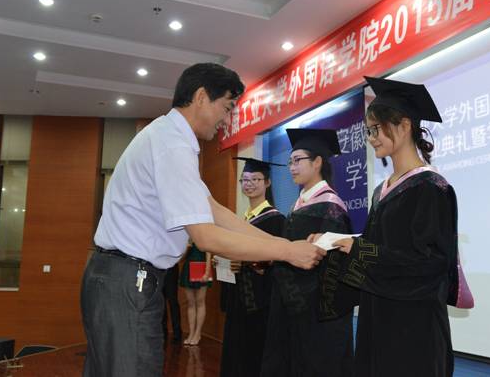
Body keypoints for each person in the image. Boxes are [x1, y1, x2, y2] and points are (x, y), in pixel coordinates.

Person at [80, 63, 325, 377]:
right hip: (127, 281)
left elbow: (214, 211)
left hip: (119, 279)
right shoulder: (173, 144)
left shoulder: (168, 137)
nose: (227, 119)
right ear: (200, 97)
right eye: (227, 107)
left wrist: (283, 244)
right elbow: (206, 236)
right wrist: (289, 252)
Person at [328, 77, 460, 377]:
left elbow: (430, 264)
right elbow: (378, 250)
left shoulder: (431, 188)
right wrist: (335, 247)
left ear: (403, 125)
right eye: (368, 131)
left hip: (413, 326)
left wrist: (359, 249)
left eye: (376, 129)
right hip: (377, 318)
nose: (371, 138)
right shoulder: (382, 190)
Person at [261, 128, 357, 377]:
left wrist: (296, 296)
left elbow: (333, 267)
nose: (292, 167)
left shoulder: (331, 207)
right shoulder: (299, 204)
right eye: (290, 162)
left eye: (298, 160)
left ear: (317, 162)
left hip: (316, 312)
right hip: (292, 307)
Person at [220, 157, 286, 377]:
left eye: (255, 179)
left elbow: (278, 261)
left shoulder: (276, 220)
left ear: (267, 182)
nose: (248, 184)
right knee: (236, 349)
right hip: (239, 298)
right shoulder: (243, 220)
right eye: (245, 180)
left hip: (259, 301)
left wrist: (247, 262)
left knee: (254, 352)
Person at [179, 241, 212, 346]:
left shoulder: (203, 234)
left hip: (201, 266)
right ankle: (191, 333)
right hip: (188, 267)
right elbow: (182, 256)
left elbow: (208, 252)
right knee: (190, 302)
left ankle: (198, 333)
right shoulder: (187, 235)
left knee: (200, 301)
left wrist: (207, 271)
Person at [162, 263, 182, 345]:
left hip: (171, 269)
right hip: (158, 269)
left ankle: (177, 332)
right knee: (161, 301)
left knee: (172, 301)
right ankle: (163, 330)